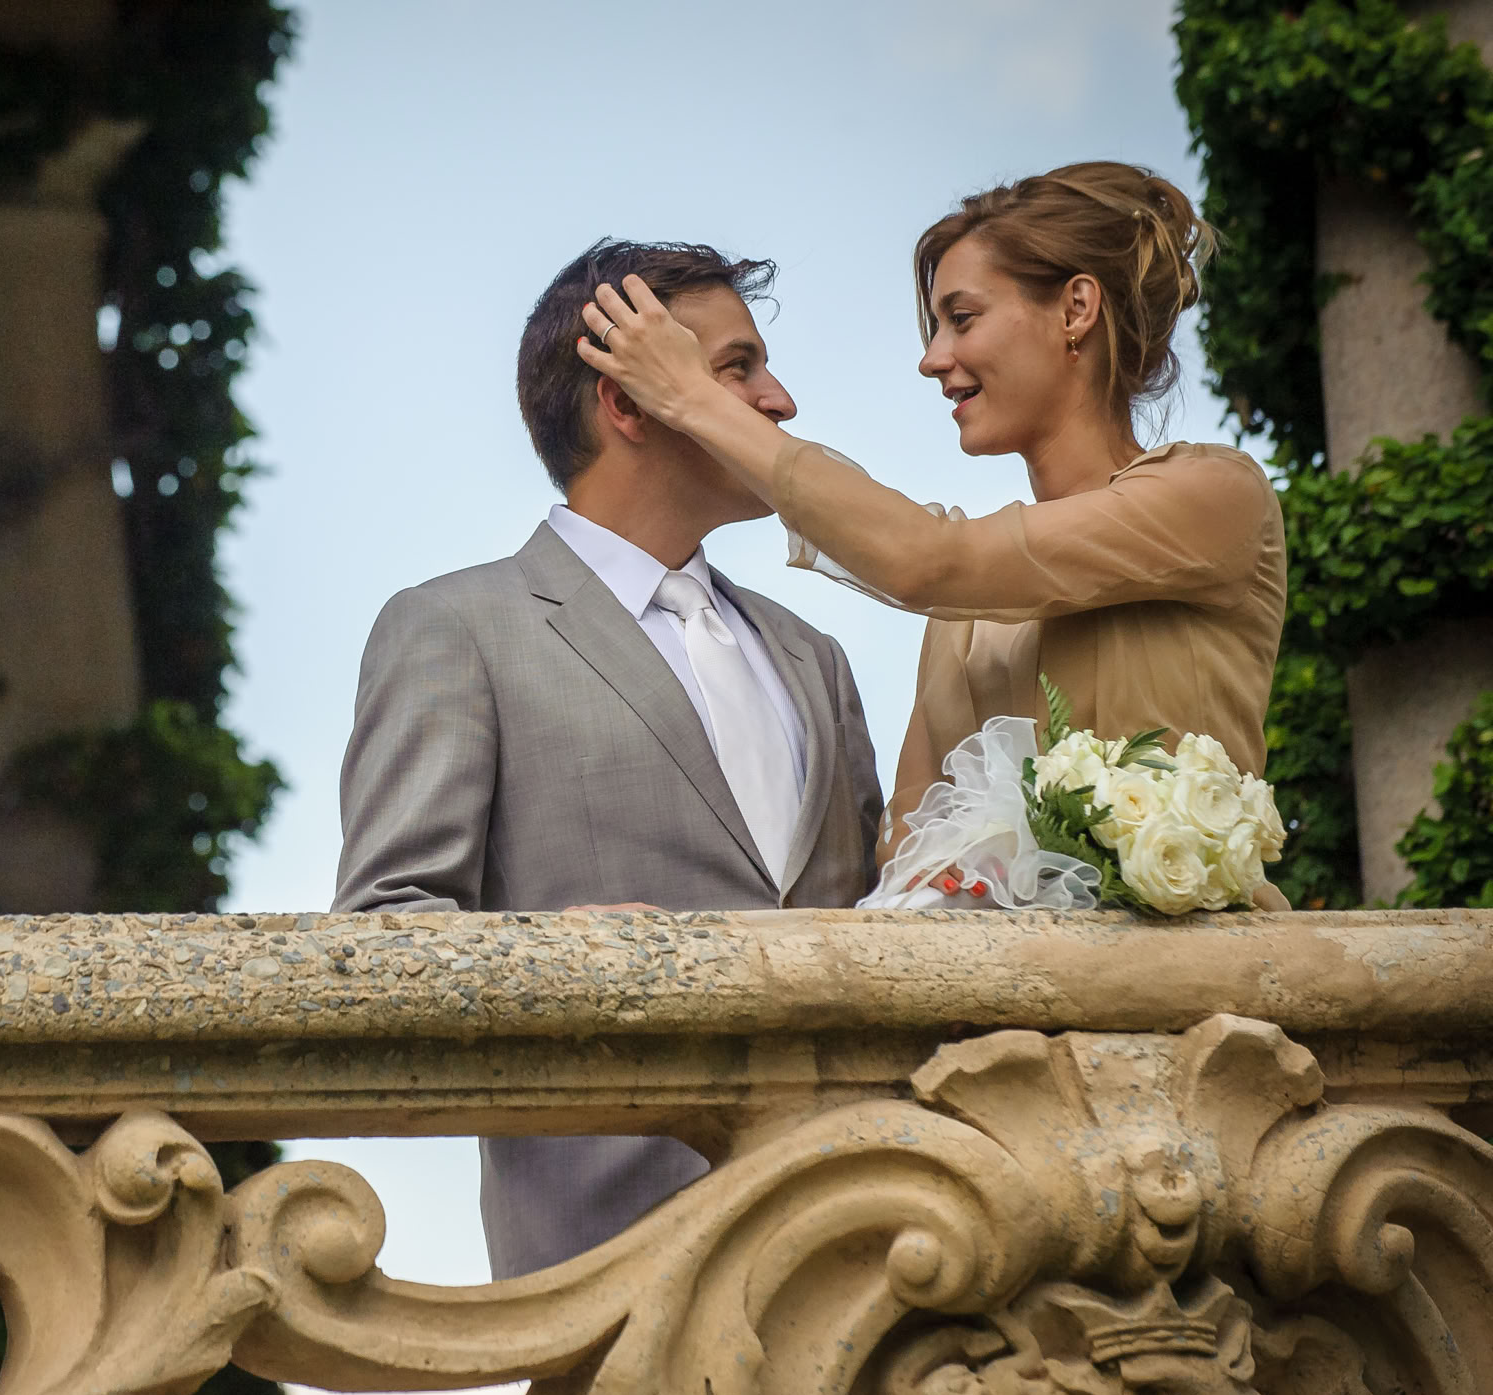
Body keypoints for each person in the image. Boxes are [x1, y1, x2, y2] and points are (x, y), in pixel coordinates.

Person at [333, 239, 883, 1280]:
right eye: (737, 367)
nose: (781, 400)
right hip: (612, 1264)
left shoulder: (819, 657)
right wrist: (553, 958)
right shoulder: (455, 628)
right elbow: (382, 934)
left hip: (868, 1246)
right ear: (626, 402)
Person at [575, 163, 1286, 864]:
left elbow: (927, 558)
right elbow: (905, 847)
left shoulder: (1216, 496)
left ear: (1076, 310)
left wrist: (692, 398)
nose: (933, 357)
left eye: (962, 319)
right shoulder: (965, 615)